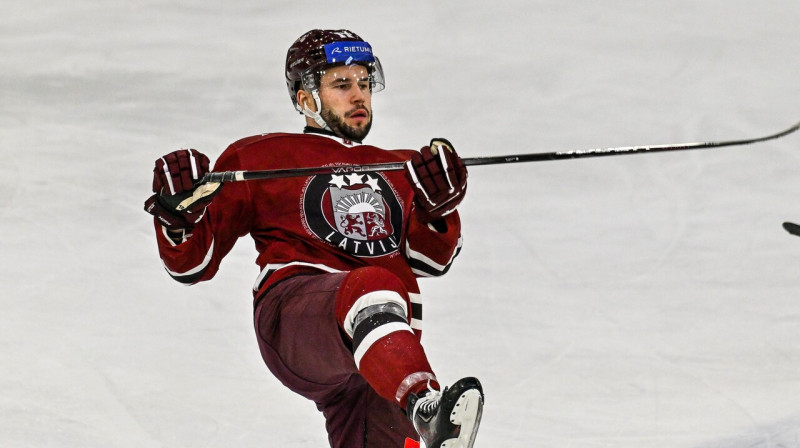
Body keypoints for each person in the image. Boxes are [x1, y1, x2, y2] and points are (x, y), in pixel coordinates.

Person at [144, 29, 483, 448]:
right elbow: (192, 263)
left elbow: (432, 261)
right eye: (341, 85)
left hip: (381, 355)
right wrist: (179, 213)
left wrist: (437, 208)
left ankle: (415, 408)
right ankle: (423, 404)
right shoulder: (260, 157)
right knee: (372, 284)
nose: (358, 95)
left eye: (364, 83)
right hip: (296, 318)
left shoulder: (401, 167)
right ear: (305, 99)